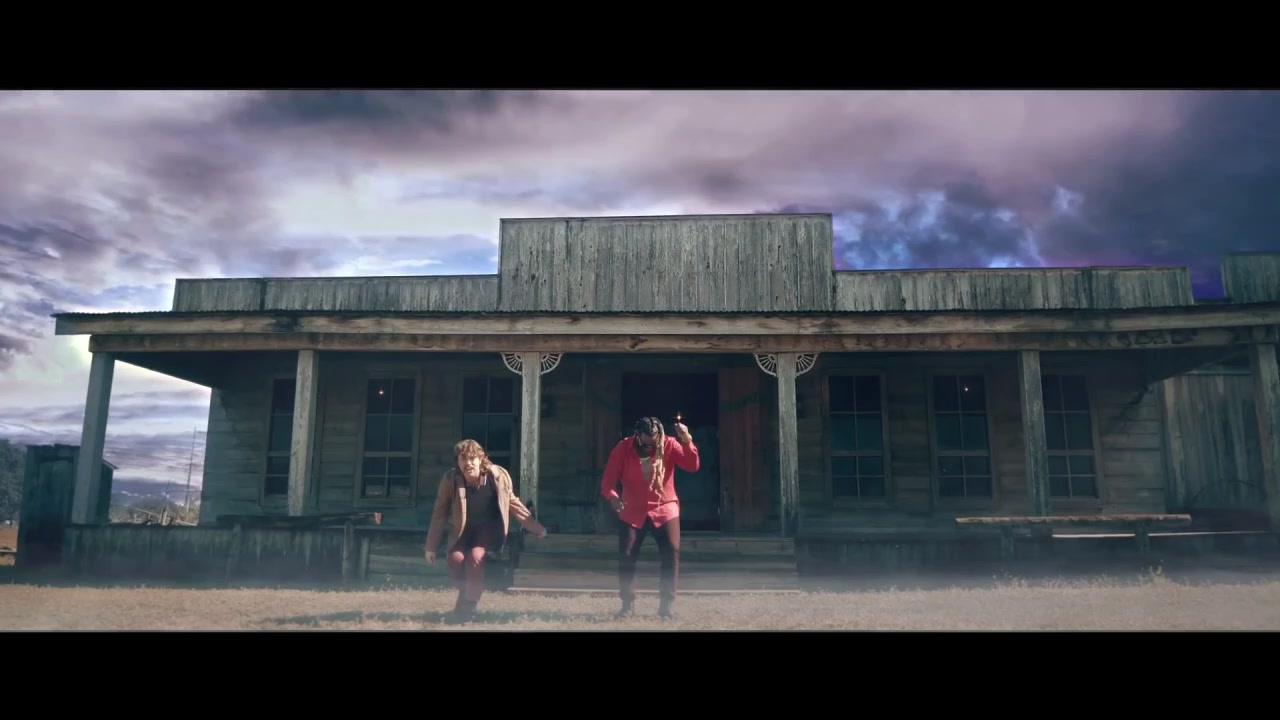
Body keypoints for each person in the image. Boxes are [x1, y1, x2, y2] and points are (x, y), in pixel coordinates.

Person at [425, 438, 547, 623]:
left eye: (472, 458)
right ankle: (466, 593)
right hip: (461, 530)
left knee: (475, 557)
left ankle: (469, 606)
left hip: (486, 529)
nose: (468, 463)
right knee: (455, 559)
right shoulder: (451, 479)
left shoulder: (496, 477)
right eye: (463, 459)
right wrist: (431, 546)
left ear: (480, 459)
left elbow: (513, 503)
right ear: (458, 462)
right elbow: (439, 513)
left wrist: (536, 528)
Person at [600, 416, 700, 619]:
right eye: (646, 443)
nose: (651, 447)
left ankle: (666, 606)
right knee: (627, 554)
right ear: (637, 436)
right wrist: (613, 498)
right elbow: (608, 482)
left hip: (664, 507)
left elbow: (692, 465)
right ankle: (627, 605)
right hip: (632, 508)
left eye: (654, 442)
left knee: (671, 550)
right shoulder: (623, 448)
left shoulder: (669, 444)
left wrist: (686, 440)